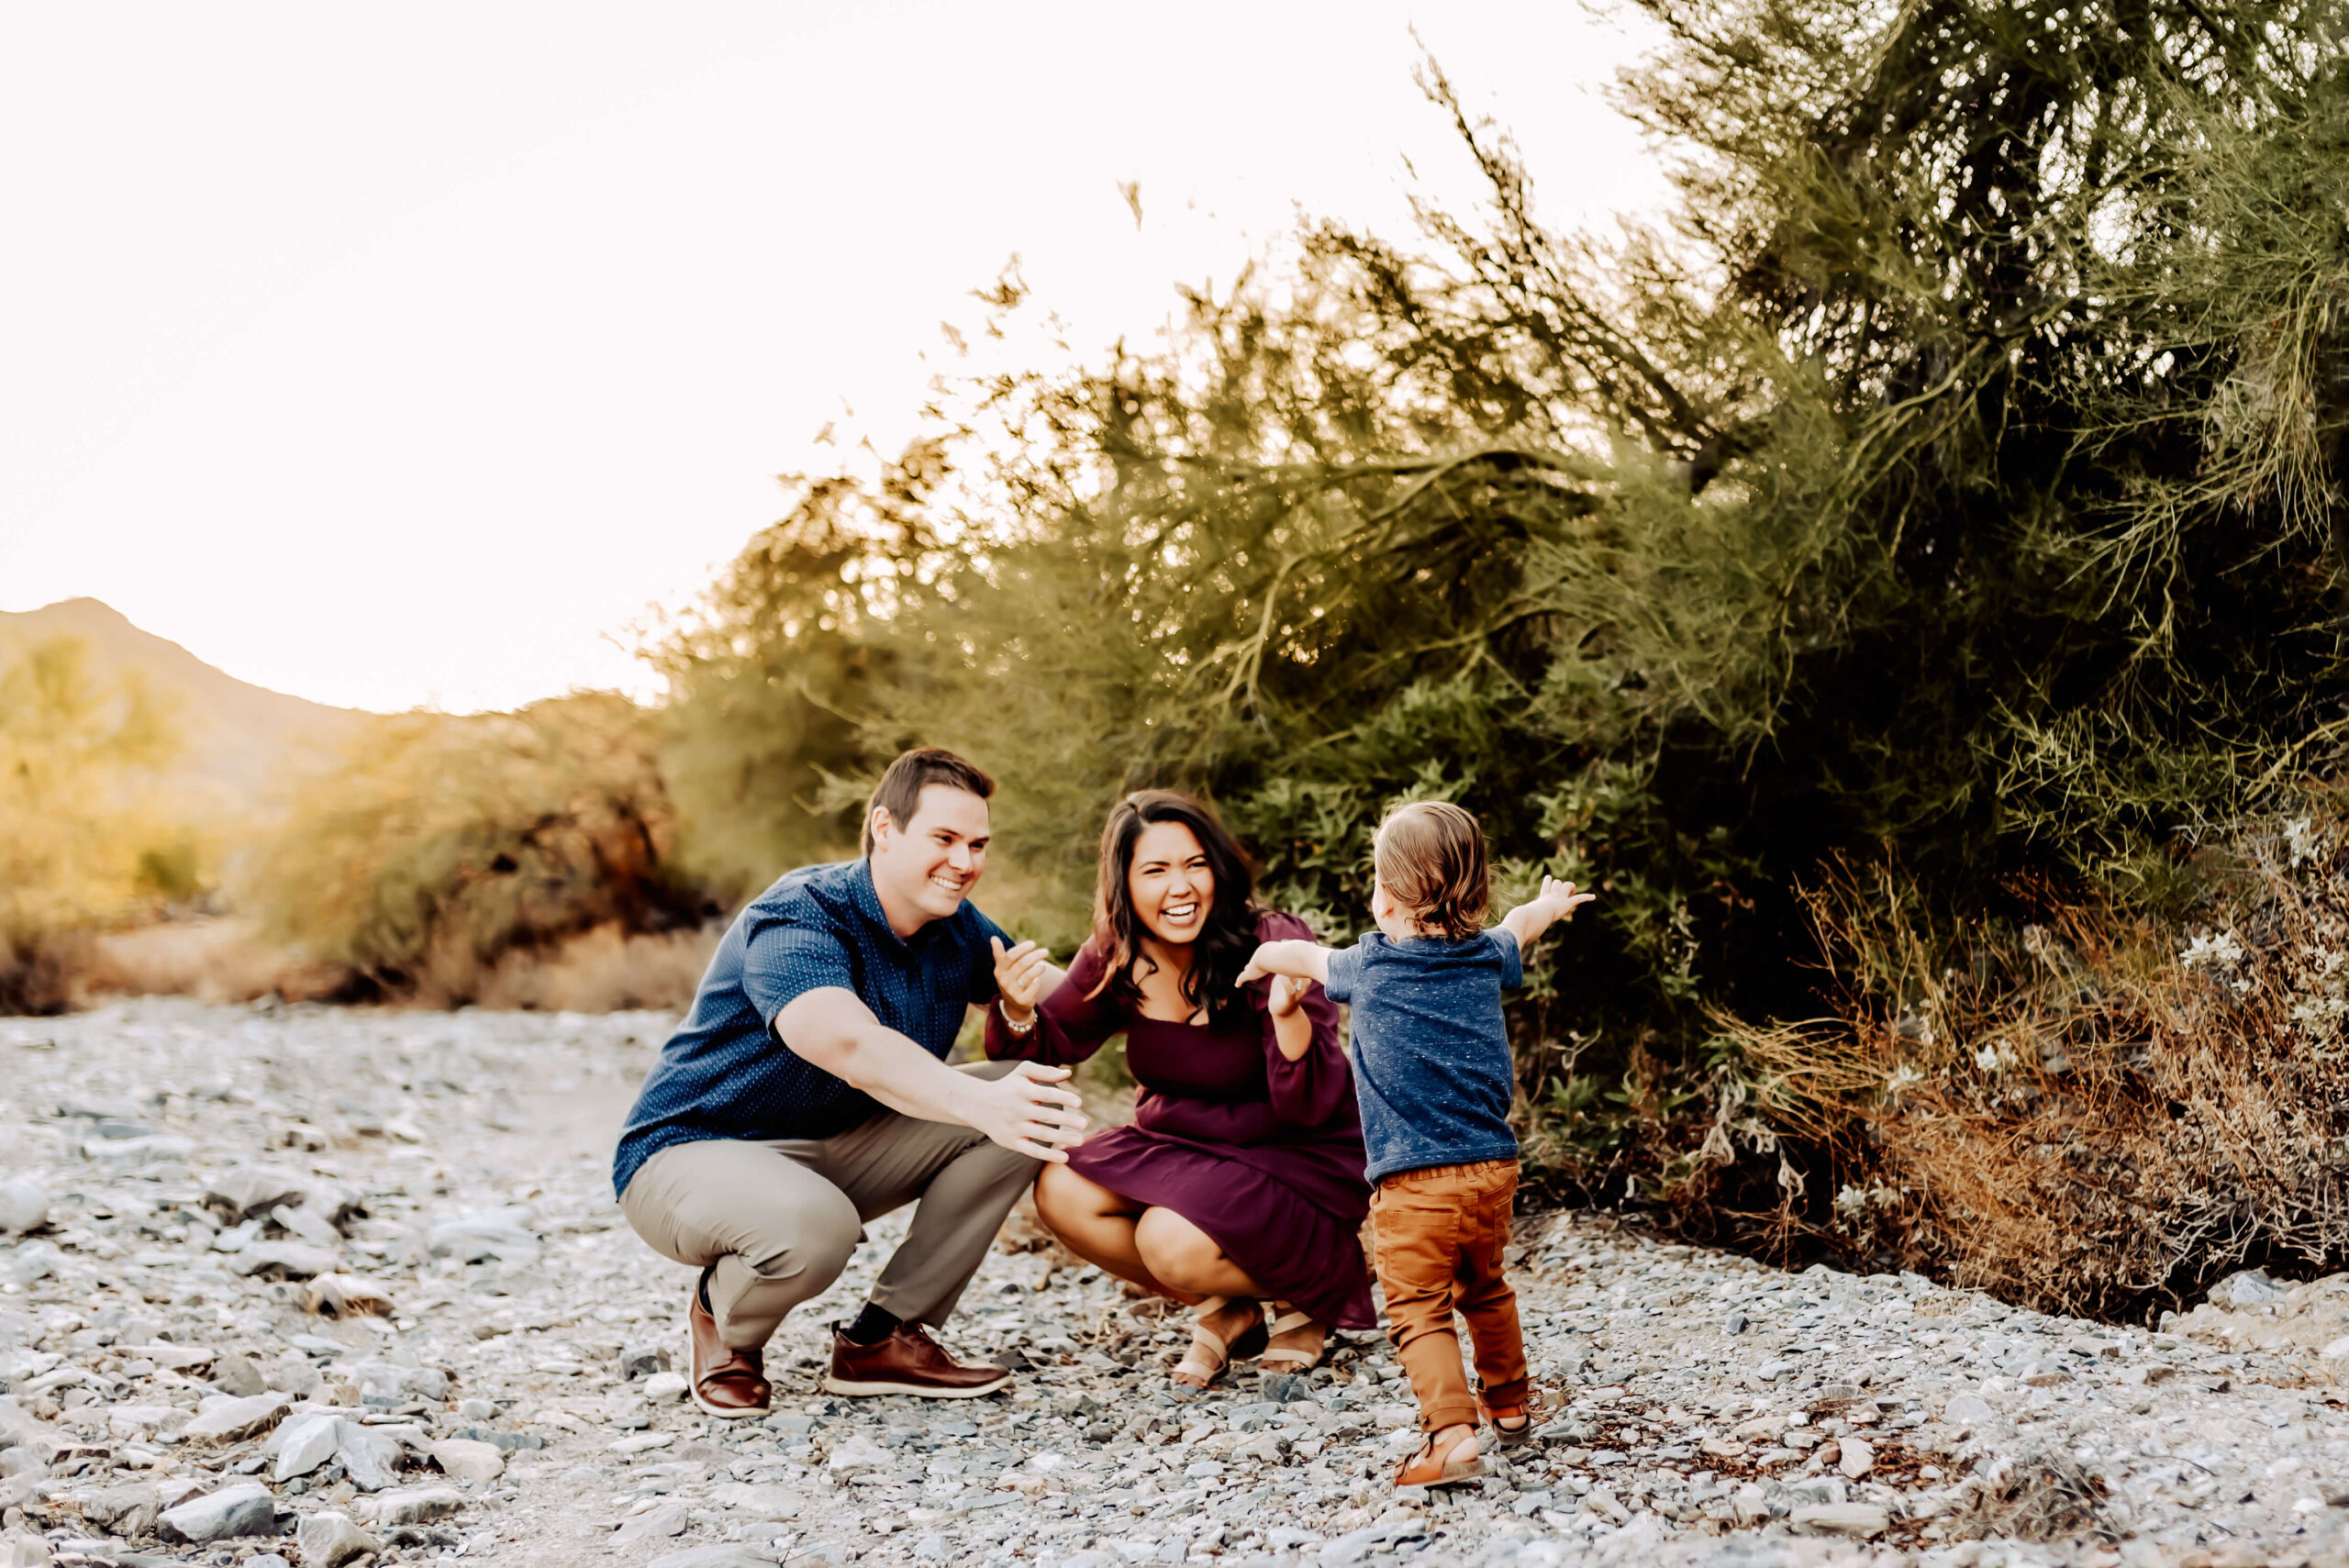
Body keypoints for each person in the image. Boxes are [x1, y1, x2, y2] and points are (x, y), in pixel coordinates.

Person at [611, 748, 1087, 1418]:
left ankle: (884, 1338)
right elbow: (845, 1041)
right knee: (817, 1228)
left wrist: (1194, 987)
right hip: (689, 1151)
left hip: (834, 1142)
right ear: (884, 829)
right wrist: (980, 1101)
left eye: (978, 843)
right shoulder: (800, 914)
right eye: (944, 839)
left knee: (1033, 1095)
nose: (965, 861)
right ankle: (726, 1323)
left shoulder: (955, 926)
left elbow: (1076, 1003)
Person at [1238, 800, 1596, 1487]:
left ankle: (1451, 1434)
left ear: (1395, 903)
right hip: (1494, 1169)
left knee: (1416, 1307)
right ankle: (1512, 1408)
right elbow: (1521, 924)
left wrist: (1257, 959)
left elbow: (1299, 955)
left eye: (1376, 881)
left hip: (1412, 1182)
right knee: (1486, 1288)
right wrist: (1549, 905)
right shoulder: (1487, 953)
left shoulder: (1367, 965)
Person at [985, 790, 1375, 1393]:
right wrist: (1015, 1009)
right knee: (1059, 1188)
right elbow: (1053, 1042)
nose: (1181, 886)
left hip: (1291, 1157)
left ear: (1216, 868)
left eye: (1194, 864)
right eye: (1156, 870)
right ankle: (1226, 1304)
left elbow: (1311, 1103)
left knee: (1165, 1239)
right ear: (1124, 881)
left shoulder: (1271, 941)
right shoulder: (1118, 952)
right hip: (1185, 1144)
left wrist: (1287, 1016)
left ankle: (1310, 1287)